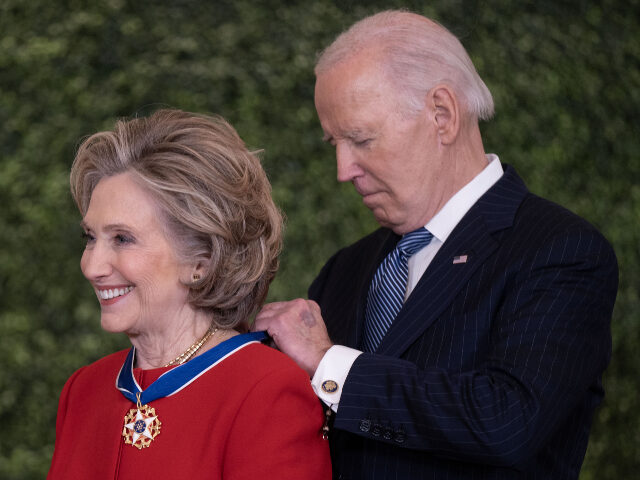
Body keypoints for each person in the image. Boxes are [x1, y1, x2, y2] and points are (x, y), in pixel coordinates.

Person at [253, 10, 618, 479]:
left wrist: (329, 364)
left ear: (442, 114)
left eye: (361, 138)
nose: (343, 170)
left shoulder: (561, 251)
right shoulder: (346, 268)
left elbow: (507, 422)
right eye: (334, 144)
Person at [48, 109, 331, 479]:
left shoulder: (267, 389)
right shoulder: (84, 390)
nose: (92, 266)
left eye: (122, 239)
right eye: (91, 238)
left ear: (202, 260)